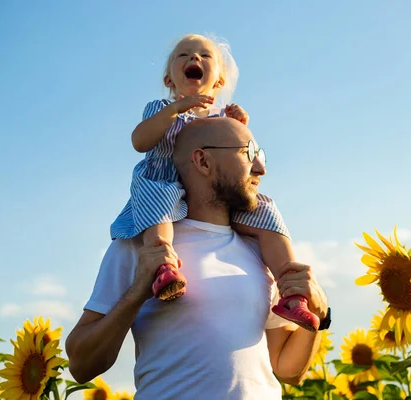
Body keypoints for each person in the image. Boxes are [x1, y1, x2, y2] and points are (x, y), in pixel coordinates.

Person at [66, 117, 331, 399]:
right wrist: (137, 292)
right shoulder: (140, 246)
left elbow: (287, 369)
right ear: (203, 161)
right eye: (249, 153)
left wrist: (321, 313)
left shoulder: (261, 250)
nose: (261, 168)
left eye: (261, 155)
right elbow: (81, 366)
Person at [111, 33, 321, 330]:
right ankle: (164, 267)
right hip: (164, 181)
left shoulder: (222, 118)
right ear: (169, 79)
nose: (194, 58)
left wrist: (239, 127)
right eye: (183, 55)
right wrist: (174, 111)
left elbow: (242, 164)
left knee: (266, 210)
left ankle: (292, 289)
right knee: (159, 201)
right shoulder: (161, 109)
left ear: (219, 81)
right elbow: (139, 141)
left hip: (213, 193)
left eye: (204, 56)